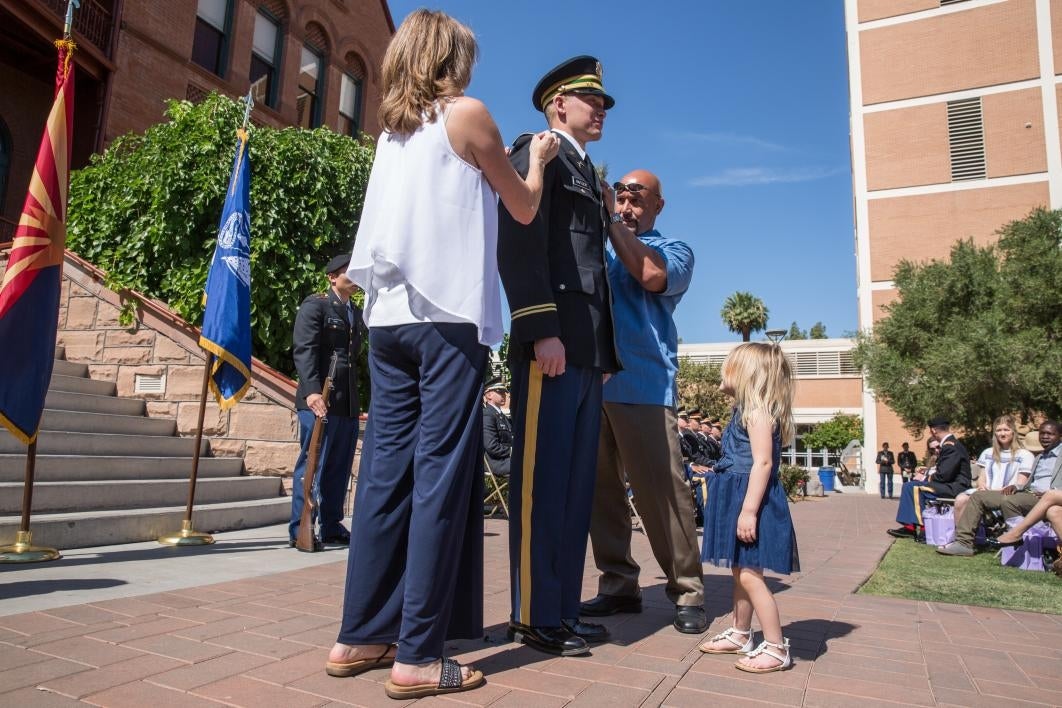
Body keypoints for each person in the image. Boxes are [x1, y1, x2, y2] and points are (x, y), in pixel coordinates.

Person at [327, 10, 560, 699]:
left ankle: (360, 633)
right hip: (447, 319)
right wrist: (539, 164)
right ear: (451, 57)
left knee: (384, 477)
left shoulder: (393, 131)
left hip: (388, 319)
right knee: (437, 479)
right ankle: (419, 655)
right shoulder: (467, 115)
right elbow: (520, 207)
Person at [498, 55, 621, 657]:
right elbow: (521, 242)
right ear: (557, 105)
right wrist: (540, 328)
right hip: (553, 343)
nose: (601, 108)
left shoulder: (585, 168)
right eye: (590, 99)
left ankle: (562, 608)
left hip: (586, 348)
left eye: (602, 102)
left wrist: (596, 349)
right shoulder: (537, 152)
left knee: (573, 488)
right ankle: (532, 614)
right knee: (541, 485)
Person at [580, 169, 707, 635]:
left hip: (645, 387)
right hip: (593, 387)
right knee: (601, 495)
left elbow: (651, 275)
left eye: (637, 198)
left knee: (661, 493)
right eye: (622, 197)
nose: (628, 205)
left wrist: (612, 219)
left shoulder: (674, 250)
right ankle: (618, 584)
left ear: (658, 205)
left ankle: (688, 589)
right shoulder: (597, 247)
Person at [697, 343, 799, 673]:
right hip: (738, 494)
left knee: (751, 575)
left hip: (749, 498)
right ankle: (742, 634)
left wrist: (748, 510)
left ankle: (776, 646)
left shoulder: (756, 412)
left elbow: (763, 462)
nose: (721, 373)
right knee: (740, 570)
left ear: (744, 374)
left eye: (728, 367)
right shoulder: (743, 410)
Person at [289, 253, 366, 547]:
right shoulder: (316, 305)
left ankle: (332, 525)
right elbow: (305, 349)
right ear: (332, 277)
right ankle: (300, 528)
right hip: (318, 399)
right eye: (349, 271)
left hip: (345, 403)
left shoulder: (355, 312)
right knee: (312, 465)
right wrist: (311, 391)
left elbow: (351, 359)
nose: (356, 276)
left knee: (338, 466)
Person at [938, 420, 1061, 557]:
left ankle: (1015, 535)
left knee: (1009, 501)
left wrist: (1053, 490)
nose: (1045, 436)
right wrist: (1016, 486)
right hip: (1029, 494)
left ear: (1059, 435)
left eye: (1050, 434)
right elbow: (1029, 483)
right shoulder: (1041, 456)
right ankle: (963, 543)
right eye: (1042, 433)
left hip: (1050, 496)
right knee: (978, 496)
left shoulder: (1048, 454)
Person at [886, 418, 971, 540]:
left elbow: (944, 475)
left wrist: (926, 477)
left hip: (955, 487)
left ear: (933, 430)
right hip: (952, 485)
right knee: (913, 486)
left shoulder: (950, 446)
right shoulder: (952, 444)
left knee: (912, 487)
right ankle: (910, 527)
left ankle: (922, 528)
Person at [952, 415, 1034, 521]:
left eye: (1006, 430)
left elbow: (1020, 484)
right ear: (995, 433)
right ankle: (961, 535)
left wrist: (995, 491)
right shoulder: (987, 453)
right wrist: (981, 486)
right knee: (961, 499)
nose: (1002, 433)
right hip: (986, 492)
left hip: (1008, 494)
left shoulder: (1024, 455)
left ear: (1013, 432)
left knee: (979, 499)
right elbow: (982, 477)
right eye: (999, 430)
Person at [482, 378, 512, 477]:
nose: (504, 395)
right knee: (532, 465)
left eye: (504, 392)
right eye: (500, 392)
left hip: (506, 460)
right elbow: (491, 446)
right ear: (489, 395)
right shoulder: (487, 415)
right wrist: (512, 451)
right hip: (496, 463)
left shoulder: (501, 416)